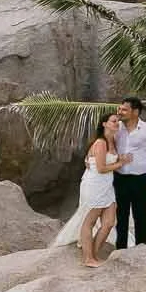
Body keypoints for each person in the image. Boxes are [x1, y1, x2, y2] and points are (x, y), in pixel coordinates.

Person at [52, 114, 123, 265]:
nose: (118, 123)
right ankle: (88, 258)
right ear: (104, 124)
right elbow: (102, 168)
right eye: (114, 121)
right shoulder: (100, 143)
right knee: (90, 221)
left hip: (107, 186)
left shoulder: (114, 142)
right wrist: (120, 164)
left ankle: (93, 254)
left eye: (118, 121)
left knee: (109, 223)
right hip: (94, 185)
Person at [113, 96, 146, 250]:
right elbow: (104, 144)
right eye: (120, 109)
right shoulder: (116, 128)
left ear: (135, 112)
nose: (120, 112)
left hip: (141, 179)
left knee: (140, 215)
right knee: (121, 216)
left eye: (124, 109)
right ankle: (120, 249)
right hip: (119, 177)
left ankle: (141, 248)